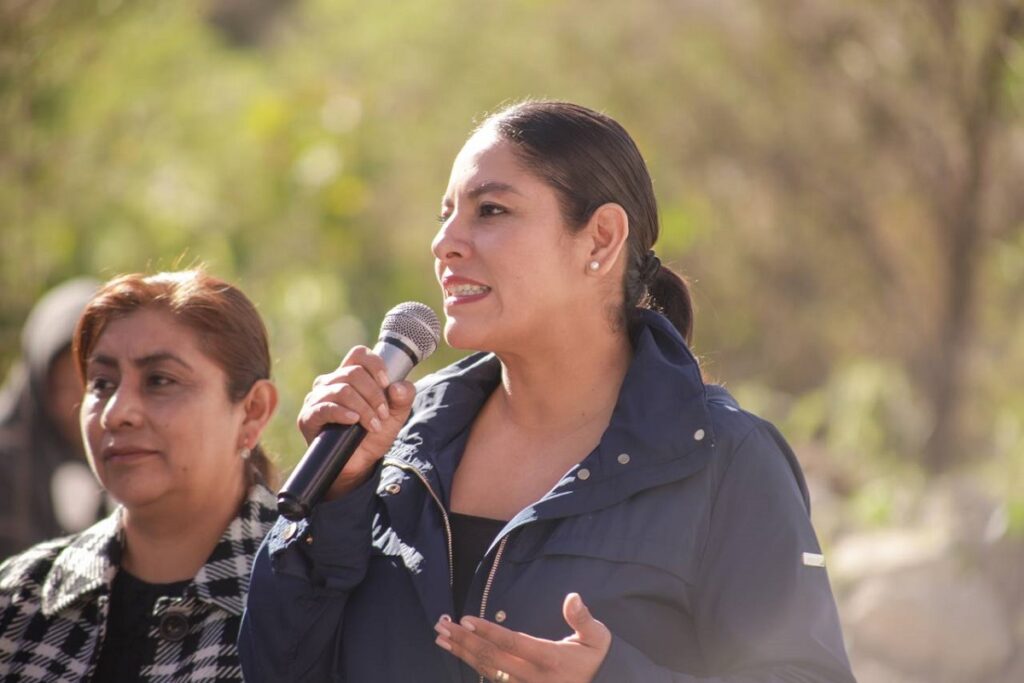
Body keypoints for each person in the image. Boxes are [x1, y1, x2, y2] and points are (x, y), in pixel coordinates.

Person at [240, 101, 856, 682]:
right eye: (446, 215)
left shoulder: (725, 460)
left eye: (491, 211)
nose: (445, 243)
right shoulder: (392, 448)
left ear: (601, 239)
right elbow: (277, 666)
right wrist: (337, 496)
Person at [0, 269, 279, 682]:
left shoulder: (313, 597)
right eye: (102, 383)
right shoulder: (18, 601)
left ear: (253, 410)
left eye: (160, 380)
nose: (116, 413)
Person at [0, 278, 107, 561]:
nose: (76, 405)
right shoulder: (9, 457)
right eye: (62, 387)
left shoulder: (130, 449)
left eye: (97, 386)